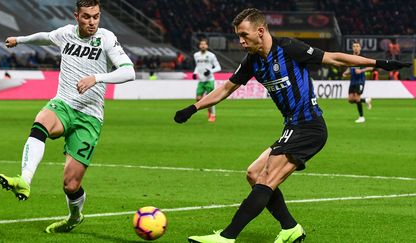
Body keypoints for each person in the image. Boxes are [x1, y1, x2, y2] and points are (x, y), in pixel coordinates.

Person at [174, 8, 410, 243]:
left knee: (266, 178)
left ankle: (227, 237)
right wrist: (193, 108)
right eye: (238, 36)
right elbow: (226, 89)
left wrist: (379, 62)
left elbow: (335, 57)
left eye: (244, 35)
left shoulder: (288, 48)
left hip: (309, 127)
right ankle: (291, 228)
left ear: (260, 31)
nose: (241, 42)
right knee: (254, 174)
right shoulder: (252, 61)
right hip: (292, 127)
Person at [0, 0, 135, 233]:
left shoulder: (107, 38)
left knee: (71, 184)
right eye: (86, 17)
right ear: (76, 16)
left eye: (96, 16)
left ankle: (74, 217)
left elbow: (129, 71)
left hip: (89, 117)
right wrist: (19, 40)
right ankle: (25, 180)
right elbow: (45, 35)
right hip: (63, 104)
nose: (92, 22)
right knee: (41, 121)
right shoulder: (65, 34)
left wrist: (97, 78)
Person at [342, 41, 373, 123]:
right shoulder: (350, 58)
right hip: (352, 81)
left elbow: (371, 67)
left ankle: (362, 117)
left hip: (360, 81)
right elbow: (350, 68)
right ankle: (366, 100)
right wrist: (346, 72)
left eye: (357, 46)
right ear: (352, 48)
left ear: (360, 48)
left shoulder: (363, 58)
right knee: (350, 100)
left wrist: (361, 70)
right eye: (354, 46)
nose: (356, 47)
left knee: (356, 97)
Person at [193, 38, 221, 122]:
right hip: (201, 80)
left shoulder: (211, 55)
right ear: (199, 46)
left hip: (209, 80)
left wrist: (210, 71)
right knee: (198, 99)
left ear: (207, 46)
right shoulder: (196, 55)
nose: (203, 46)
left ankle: (212, 115)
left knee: (210, 99)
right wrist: (195, 72)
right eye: (201, 44)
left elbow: (218, 67)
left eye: (204, 44)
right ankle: (209, 111)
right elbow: (197, 66)